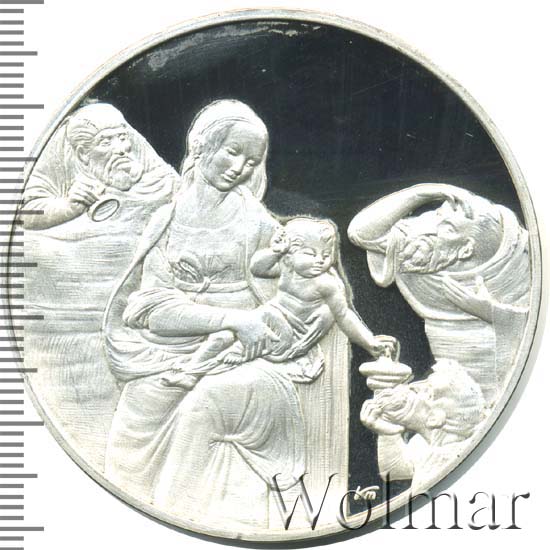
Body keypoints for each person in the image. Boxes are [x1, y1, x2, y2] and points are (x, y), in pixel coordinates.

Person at [103, 100, 347, 529]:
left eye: (251, 161)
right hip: (170, 350)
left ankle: (181, 520)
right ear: (201, 146)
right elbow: (145, 310)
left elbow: (311, 279)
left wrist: (317, 315)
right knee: (136, 416)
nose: (239, 168)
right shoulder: (165, 220)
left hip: (250, 357)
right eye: (232, 152)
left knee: (205, 403)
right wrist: (231, 319)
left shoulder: (257, 223)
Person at [23, 103, 178, 467]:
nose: (121, 148)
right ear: (83, 154)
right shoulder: (59, 152)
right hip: (78, 276)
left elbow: (176, 191)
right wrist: (68, 206)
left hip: (138, 273)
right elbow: (25, 214)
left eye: (122, 138)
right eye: (107, 143)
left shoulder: (137, 154)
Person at [161, 217, 396, 389]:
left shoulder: (325, 283)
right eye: (310, 254)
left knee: (244, 336)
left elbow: (344, 315)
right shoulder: (287, 266)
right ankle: (191, 371)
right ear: (290, 254)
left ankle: (222, 360)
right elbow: (258, 268)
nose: (320, 261)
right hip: (269, 318)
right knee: (222, 335)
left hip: (288, 335)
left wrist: (369, 342)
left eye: (326, 255)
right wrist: (275, 252)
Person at [348, 184, 530, 404]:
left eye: (449, 228)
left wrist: (488, 311)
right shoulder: (423, 253)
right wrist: (426, 192)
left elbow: (532, 327)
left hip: (500, 388)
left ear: (466, 249)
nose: (431, 227)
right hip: (446, 383)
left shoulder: (511, 276)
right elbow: (360, 232)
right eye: (437, 214)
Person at [360, 359, 485, 494]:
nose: (413, 386)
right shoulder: (424, 443)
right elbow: (395, 471)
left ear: (434, 419)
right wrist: (388, 432)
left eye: (428, 391)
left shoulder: (445, 463)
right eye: (424, 382)